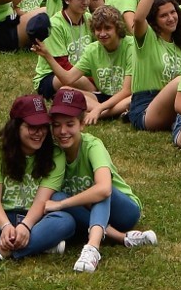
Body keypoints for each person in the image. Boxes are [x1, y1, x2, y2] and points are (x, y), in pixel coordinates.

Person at [34, 87, 155, 272]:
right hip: (86, 212)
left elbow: (104, 189)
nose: (62, 131)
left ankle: (92, 248)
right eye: (56, 125)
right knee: (56, 197)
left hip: (122, 210)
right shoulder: (54, 153)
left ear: (82, 124)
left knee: (99, 192)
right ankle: (122, 238)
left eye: (70, 124)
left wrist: (61, 205)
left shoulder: (92, 145)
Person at [0, 94, 81, 264]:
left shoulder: (55, 154)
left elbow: (42, 200)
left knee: (65, 222)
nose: (39, 132)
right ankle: (41, 244)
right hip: (0, 217)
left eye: (43, 126)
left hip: (36, 219)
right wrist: (5, 226)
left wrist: (26, 225)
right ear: (16, 127)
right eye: (32, 127)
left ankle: (2, 251)